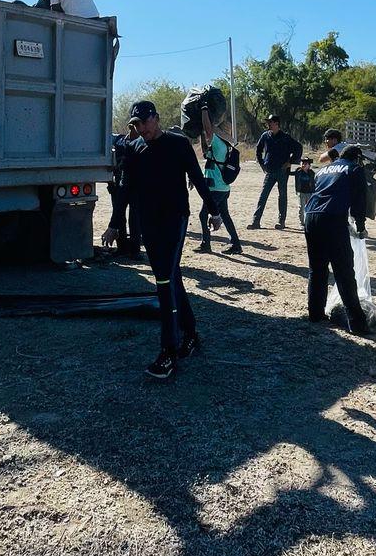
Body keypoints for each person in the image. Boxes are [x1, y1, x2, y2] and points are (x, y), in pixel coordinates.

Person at [102, 101, 220, 380]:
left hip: (175, 219)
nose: (140, 129)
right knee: (170, 277)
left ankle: (168, 352)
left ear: (156, 118)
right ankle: (190, 333)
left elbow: (197, 178)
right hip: (149, 223)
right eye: (135, 125)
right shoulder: (134, 149)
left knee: (164, 282)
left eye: (143, 123)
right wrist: (114, 224)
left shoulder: (178, 144)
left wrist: (214, 210)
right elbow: (125, 189)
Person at [304, 143, 370, 335]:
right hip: (333, 219)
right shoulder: (354, 169)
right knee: (344, 271)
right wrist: (360, 226)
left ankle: (315, 314)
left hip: (311, 217)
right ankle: (357, 324)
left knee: (317, 268)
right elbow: (359, 201)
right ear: (357, 158)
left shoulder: (324, 169)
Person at [196, 103, 242, 256]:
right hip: (222, 187)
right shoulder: (223, 145)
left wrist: (204, 111)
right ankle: (236, 244)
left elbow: (208, 129)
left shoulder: (218, 143)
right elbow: (206, 151)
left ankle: (206, 244)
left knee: (203, 214)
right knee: (225, 216)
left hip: (215, 187)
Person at [248, 115, 302, 229]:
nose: (268, 124)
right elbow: (258, 150)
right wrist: (262, 164)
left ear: (277, 123)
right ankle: (256, 221)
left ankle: (281, 222)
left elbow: (298, 148)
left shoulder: (286, 137)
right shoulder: (265, 136)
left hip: (283, 172)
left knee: (282, 196)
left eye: (270, 122)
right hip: (270, 171)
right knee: (263, 195)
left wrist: (290, 162)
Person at [108, 130, 141, 258]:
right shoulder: (138, 144)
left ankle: (127, 248)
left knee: (128, 217)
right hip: (125, 185)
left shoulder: (119, 142)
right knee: (130, 217)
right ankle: (131, 249)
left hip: (124, 185)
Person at [294, 157, 315, 227]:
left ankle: (309, 222)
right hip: (301, 192)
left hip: (309, 192)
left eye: (305, 164)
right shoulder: (298, 171)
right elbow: (290, 173)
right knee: (301, 208)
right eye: (302, 163)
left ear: (309, 165)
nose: (303, 165)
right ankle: (301, 223)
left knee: (310, 208)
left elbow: (314, 183)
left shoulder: (312, 173)